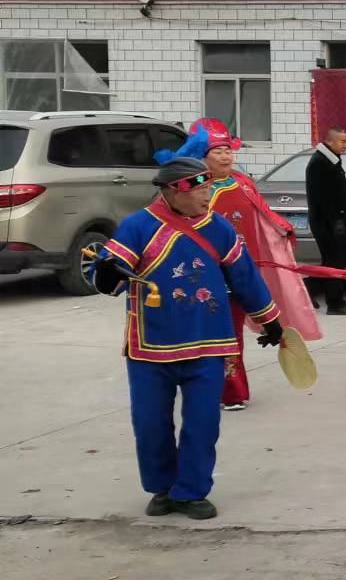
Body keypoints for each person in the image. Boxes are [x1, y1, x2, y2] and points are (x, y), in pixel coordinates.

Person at [88, 154, 283, 520]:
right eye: (202, 189)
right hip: (151, 345)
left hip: (209, 342)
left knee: (203, 422)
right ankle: (162, 488)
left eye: (209, 187)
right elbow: (108, 275)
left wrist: (269, 319)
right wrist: (107, 273)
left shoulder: (218, 227)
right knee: (150, 423)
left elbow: (243, 276)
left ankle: (191, 492)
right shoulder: (138, 226)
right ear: (174, 191)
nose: (209, 195)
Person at [199, 117, 322, 411]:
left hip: (244, 270)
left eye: (228, 150)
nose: (226, 156)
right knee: (208, 333)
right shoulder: (198, 189)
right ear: (202, 156)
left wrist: (282, 229)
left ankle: (231, 392)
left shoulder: (242, 183)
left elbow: (264, 214)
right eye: (218, 151)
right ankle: (212, 386)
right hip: (207, 273)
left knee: (231, 333)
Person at [305, 127, 346, 315]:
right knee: (335, 261)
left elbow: (340, 192)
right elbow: (322, 198)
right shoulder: (320, 163)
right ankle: (335, 303)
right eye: (342, 141)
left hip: (336, 219)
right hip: (326, 222)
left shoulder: (332, 160)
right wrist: (335, 222)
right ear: (329, 141)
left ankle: (306, 290)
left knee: (337, 260)